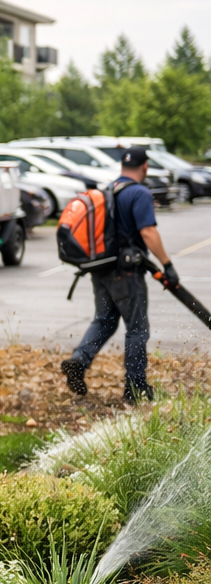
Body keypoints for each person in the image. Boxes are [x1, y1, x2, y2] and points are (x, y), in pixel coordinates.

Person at [60, 145, 179, 404]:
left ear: (123, 166)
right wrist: (167, 265)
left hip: (101, 268)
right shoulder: (139, 193)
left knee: (104, 319)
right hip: (125, 273)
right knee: (137, 329)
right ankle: (135, 388)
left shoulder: (109, 190)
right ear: (145, 166)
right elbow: (148, 232)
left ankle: (79, 361)